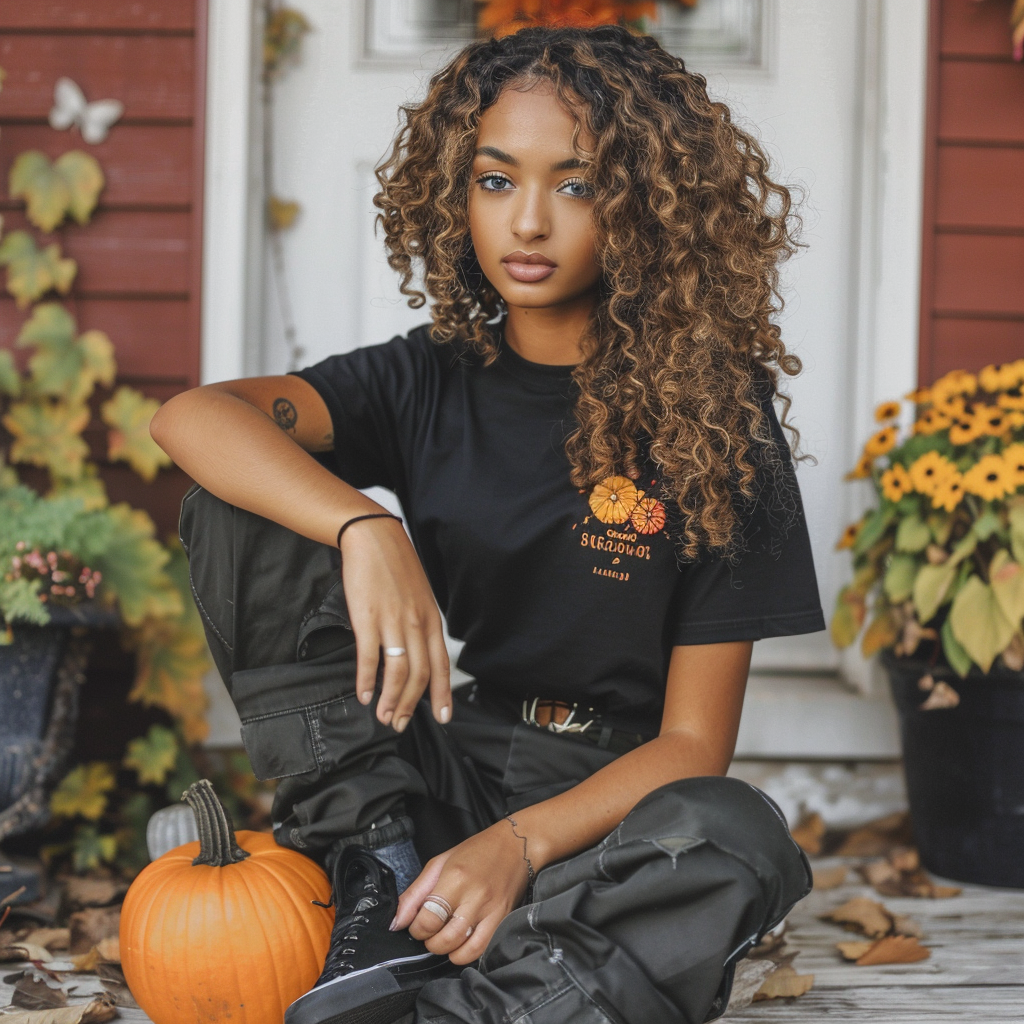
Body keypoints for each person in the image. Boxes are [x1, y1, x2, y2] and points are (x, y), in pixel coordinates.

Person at [151, 24, 825, 1024]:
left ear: (642, 204)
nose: (530, 223)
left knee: (739, 836)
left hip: (603, 814)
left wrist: (513, 848)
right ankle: (382, 886)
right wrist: (363, 529)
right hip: (433, 772)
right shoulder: (426, 377)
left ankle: (469, 1002)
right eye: (497, 180)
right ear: (454, 192)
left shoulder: (716, 416)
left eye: (578, 184)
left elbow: (693, 743)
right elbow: (190, 418)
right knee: (236, 500)